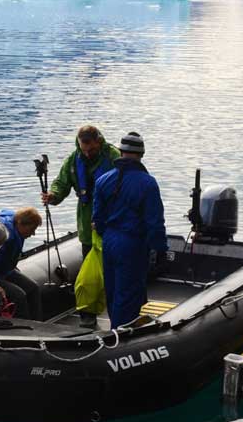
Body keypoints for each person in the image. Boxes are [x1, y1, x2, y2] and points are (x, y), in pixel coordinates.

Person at [92, 132, 167, 328]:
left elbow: (97, 218)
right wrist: (160, 248)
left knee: (113, 288)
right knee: (128, 292)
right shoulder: (147, 183)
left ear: (121, 152)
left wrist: (107, 235)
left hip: (109, 241)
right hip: (133, 243)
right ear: (141, 154)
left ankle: (116, 327)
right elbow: (155, 221)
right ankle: (120, 338)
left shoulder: (103, 180)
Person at [41, 125, 120, 258]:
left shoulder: (114, 156)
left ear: (99, 141)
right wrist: (53, 195)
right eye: (84, 150)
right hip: (86, 220)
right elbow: (61, 182)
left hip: (112, 219)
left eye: (92, 149)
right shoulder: (73, 160)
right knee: (88, 255)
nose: (87, 154)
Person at [0, 207, 43, 319]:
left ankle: (38, 321)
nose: (33, 233)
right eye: (32, 229)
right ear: (21, 224)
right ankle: (23, 326)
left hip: (5, 270)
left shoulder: (17, 227)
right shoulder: (5, 236)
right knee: (18, 295)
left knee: (33, 288)